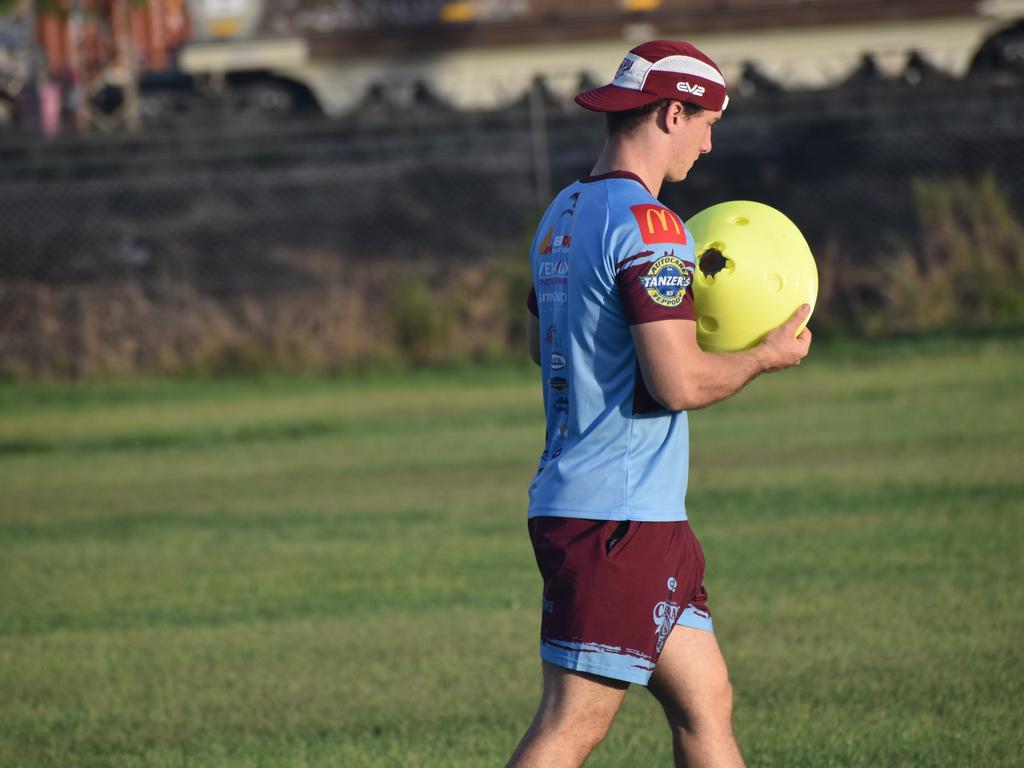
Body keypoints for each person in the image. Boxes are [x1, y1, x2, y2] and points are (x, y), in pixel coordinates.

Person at [509, 40, 812, 768]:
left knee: (706, 701)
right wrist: (765, 355)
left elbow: (537, 345)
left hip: (624, 509)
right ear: (672, 112)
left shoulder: (562, 212)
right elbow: (678, 383)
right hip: (616, 518)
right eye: (707, 122)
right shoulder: (653, 228)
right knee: (571, 725)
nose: (708, 144)